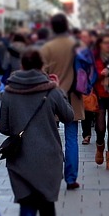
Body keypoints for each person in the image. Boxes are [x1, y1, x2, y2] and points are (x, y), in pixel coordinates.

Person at [0, 50, 74, 216]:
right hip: (48, 157)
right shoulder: (51, 90)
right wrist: (59, 90)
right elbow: (69, 116)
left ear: (21, 65)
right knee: (47, 202)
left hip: (20, 158)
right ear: (42, 65)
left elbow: (3, 127)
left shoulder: (9, 92)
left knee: (27, 205)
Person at [38, 14, 85, 189]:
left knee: (51, 138)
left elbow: (41, 73)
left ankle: (52, 174)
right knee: (72, 138)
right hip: (73, 96)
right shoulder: (77, 45)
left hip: (51, 96)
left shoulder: (47, 48)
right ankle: (71, 178)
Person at [91, 34, 109, 171]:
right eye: (105, 43)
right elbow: (90, 76)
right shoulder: (94, 58)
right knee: (100, 127)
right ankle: (100, 147)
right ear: (100, 44)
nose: (108, 45)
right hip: (99, 94)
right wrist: (101, 74)